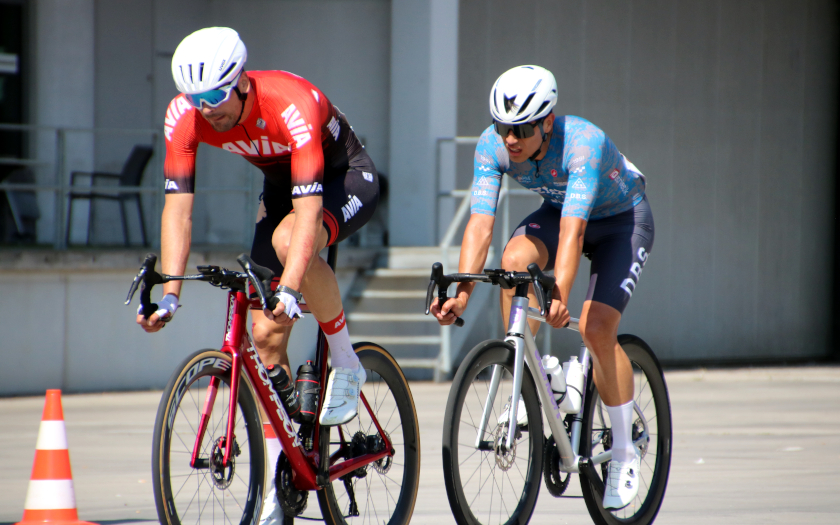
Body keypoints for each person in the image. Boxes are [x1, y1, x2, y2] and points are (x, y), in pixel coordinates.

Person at [136, 26, 378, 522]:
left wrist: (289, 288)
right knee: (266, 336)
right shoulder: (185, 116)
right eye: (196, 97)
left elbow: (308, 215)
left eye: (217, 95)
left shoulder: (290, 103)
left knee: (293, 244)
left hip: (343, 177)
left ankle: (346, 359)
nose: (207, 108)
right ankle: (282, 474)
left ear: (242, 81)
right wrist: (172, 293)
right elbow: (177, 210)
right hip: (283, 185)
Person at [431, 65, 654, 511]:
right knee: (513, 261)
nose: (511, 139)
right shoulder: (493, 145)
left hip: (619, 223)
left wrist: (560, 296)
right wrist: (462, 292)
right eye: (503, 127)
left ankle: (625, 451)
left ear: (548, 122)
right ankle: (534, 369)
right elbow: (480, 222)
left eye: (523, 129)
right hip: (560, 211)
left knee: (594, 326)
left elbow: (572, 235)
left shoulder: (582, 144)